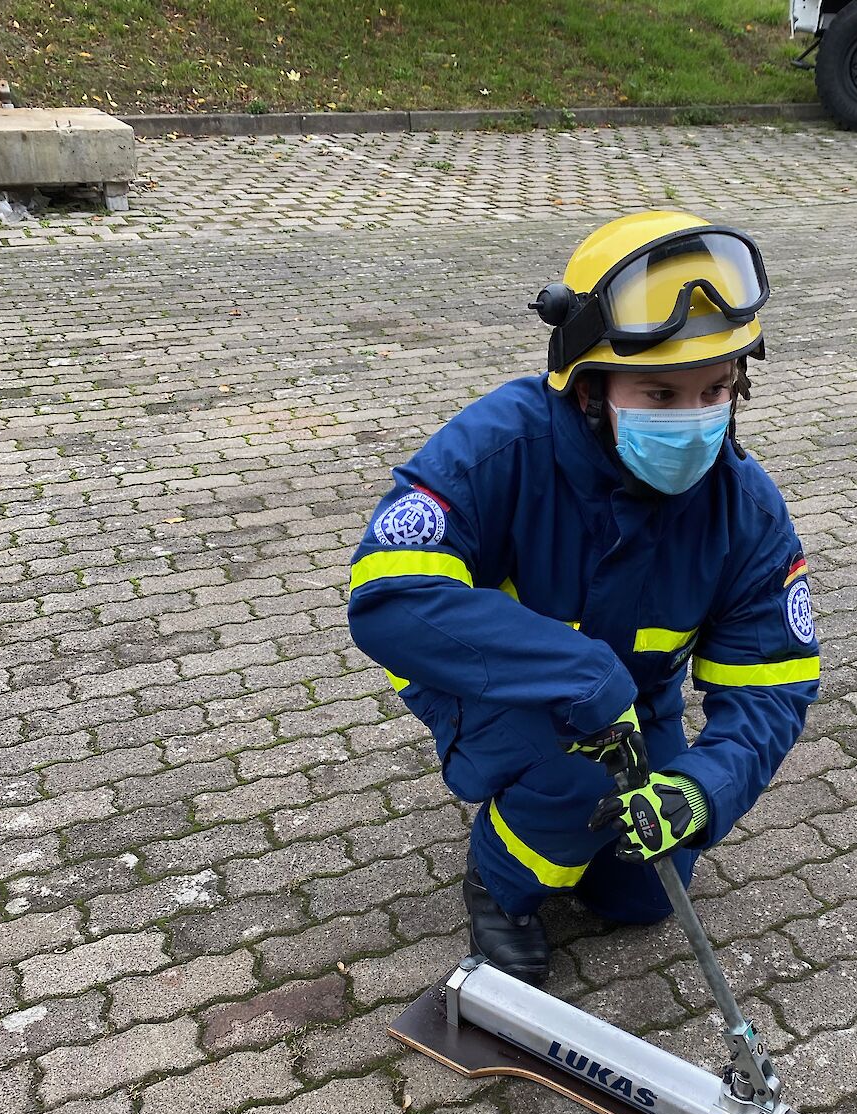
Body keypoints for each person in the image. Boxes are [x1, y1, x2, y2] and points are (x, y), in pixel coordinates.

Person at [347, 209, 820, 985]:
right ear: (589, 388)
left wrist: (703, 792)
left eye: (716, 390)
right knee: (580, 776)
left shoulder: (747, 509)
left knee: (643, 892)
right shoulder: (501, 445)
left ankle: (566, 828)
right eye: (661, 394)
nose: (695, 420)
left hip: (632, 703)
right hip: (485, 678)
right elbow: (388, 595)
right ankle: (499, 886)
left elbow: (775, 685)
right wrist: (581, 675)